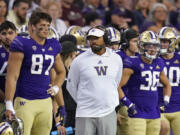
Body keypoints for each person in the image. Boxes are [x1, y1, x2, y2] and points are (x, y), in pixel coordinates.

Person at [4, 12, 66, 135]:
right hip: (25, 101)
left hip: (45, 102)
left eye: (48, 25)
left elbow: (61, 71)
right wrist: (9, 103)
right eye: (42, 25)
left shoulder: (53, 45)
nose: (46, 29)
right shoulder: (21, 43)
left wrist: (56, 86)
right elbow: (12, 76)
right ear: (32, 26)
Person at [66, 25, 123, 135]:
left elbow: (115, 82)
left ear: (105, 39)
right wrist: (84, 102)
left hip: (108, 111)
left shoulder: (116, 59)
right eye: (91, 39)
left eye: (96, 38)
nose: (93, 41)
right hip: (85, 113)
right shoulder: (79, 60)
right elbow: (71, 85)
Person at [118, 30, 171, 135]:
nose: (152, 50)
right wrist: (128, 104)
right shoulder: (132, 62)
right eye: (149, 46)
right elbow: (118, 86)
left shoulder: (159, 62)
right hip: (137, 112)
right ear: (141, 46)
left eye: (155, 46)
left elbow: (167, 84)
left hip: (154, 112)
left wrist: (165, 101)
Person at [116, 28, 139, 135]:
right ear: (126, 42)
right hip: (122, 104)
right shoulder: (117, 58)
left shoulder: (141, 57)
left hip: (138, 103)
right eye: (134, 41)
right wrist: (115, 110)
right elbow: (111, 84)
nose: (138, 44)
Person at [158, 27, 180, 135]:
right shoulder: (153, 58)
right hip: (158, 107)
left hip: (178, 107)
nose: (162, 44)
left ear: (173, 42)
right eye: (161, 41)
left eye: (165, 41)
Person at [0, 21, 17, 122]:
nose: (7, 36)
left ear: (16, 34)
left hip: (21, 101)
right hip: (1, 102)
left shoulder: (23, 52)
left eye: (10, 33)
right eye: (4, 33)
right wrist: (6, 99)